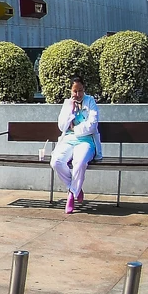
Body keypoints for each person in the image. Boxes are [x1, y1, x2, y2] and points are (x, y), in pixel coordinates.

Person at [52, 76, 102, 214]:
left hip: (86, 140)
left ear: (84, 89)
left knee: (79, 163)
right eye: (75, 91)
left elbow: (92, 125)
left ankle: (71, 195)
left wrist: (75, 129)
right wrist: (70, 111)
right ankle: (75, 188)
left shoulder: (90, 101)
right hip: (68, 139)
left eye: (80, 91)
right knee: (56, 161)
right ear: (70, 91)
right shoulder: (67, 103)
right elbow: (62, 126)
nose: (78, 94)